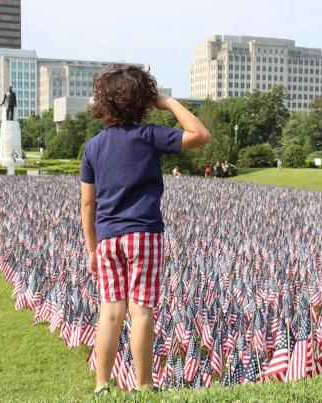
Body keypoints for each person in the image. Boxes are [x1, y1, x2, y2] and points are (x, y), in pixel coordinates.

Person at [80, 64, 210, 395]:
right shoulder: (150, 135)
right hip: (143, 234)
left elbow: (87, 205)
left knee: (109, 313)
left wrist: (92, 249)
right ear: (143, 101)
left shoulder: (93, 146)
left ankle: (101, 385)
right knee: (140, 313)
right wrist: (168, 103)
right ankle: (143, 385)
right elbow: (200, 135)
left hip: (107, 239)